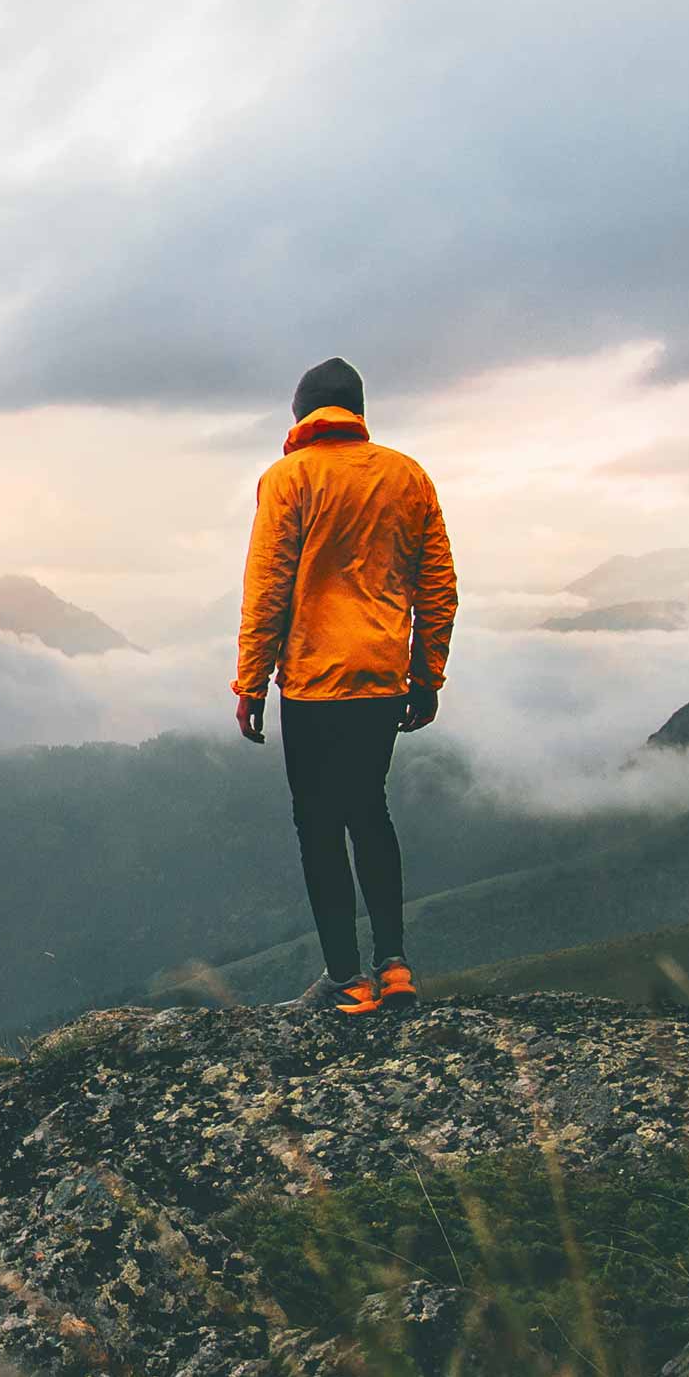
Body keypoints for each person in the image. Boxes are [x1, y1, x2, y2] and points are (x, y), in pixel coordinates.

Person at [232, 357, 456, 1016]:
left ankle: (345, 979)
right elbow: (438, 584)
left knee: (319, 824)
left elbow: (268, 585)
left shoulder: (288, 478)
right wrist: (427, 673)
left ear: (303, 414)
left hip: (311, 683)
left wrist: (251, 681)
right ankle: (395, 969)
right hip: (383, 677)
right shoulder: (406, 474)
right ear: (357, 411)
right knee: (370, 810)